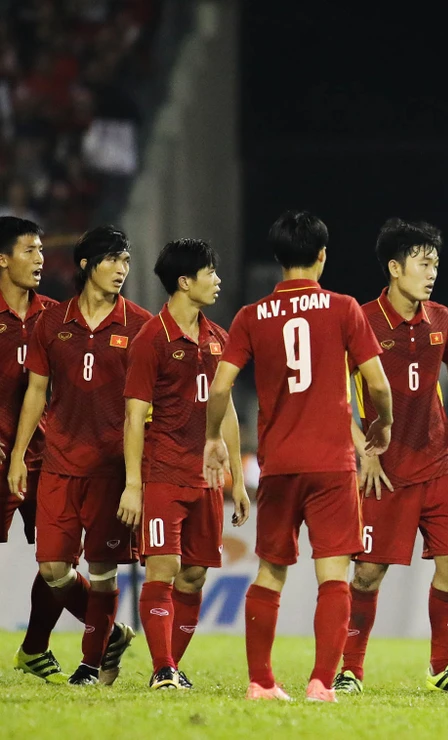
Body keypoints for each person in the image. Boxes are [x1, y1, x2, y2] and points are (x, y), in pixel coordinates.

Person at [203, 210, 393, 703]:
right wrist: (383, 423)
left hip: (279, 464)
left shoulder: (250, 316)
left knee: (270, 571)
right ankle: (321, 683)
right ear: (322, 255)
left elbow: (220, 387)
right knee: (334, 575)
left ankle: (260, 681)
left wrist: (213, 437)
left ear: (278, 258)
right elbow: (377, 384)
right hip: (331, 464)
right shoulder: (344, 308)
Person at [334, 218, 448, 696]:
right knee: (368, 573)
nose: (432, 272)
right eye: (422, 263)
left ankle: (442, 666)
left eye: (435, 263)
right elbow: (336, 390)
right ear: (395, 268)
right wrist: (364, 452)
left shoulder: (440, 317)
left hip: (436, 462)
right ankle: (350, 670)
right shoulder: (363, 320)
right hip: (385, 470)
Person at [8, 226, 151, 686]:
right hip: (58, 463)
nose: (122, 269)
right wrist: (18, 454)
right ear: (87, 264)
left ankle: (90, 666)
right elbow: (36, 392)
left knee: (103, 570)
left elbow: (147, 405)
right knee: (53, 568)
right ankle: (107, 633)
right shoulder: (52, 322)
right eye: (113, 259)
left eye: (126, 260)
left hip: (111, 469)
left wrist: (138, 478)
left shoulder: (141, 325)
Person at [119, 239, 251, 690]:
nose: (217, 280)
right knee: (163, 570)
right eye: (210, 272)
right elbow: (134, 416)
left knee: (194, 576)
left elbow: (226, 412)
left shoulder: (219, 339)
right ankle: (162, 668)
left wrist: (236, 479)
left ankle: (171, 666)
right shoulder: (150, 339)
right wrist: (133, 484)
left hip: (207, 480)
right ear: (184, 282)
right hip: (163, 474)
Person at [0, 217, 73, 683]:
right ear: (2, 259)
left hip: (47, 455)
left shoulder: (56, 317)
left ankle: (34, 648)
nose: (40, 259)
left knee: (59, 559)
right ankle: (106, 626)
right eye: (29, 250)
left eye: (42, 250)